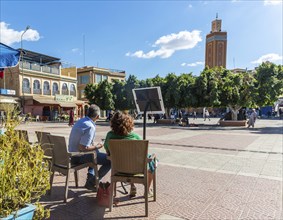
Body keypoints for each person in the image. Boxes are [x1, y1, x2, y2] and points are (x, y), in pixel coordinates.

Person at [103, 111, 157, 197]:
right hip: (136, 169)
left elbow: (107, 151)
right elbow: (143, 155)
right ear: (128, 123)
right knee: (152, 161)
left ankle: (132, 186)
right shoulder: (136, 137)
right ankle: (147, 190)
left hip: (118, 169)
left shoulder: (109, 136)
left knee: (126, 160)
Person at [68, 104, 111, 191]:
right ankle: (92, 182)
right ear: (98, 116)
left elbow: (82, 143)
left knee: (95, 151)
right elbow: (83, 147)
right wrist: (98, 145)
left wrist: (95, 146)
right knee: (110, 161)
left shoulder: (80, 121)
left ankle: (90, 180)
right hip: (78, 157)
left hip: (71, 154)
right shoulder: (90, 126)